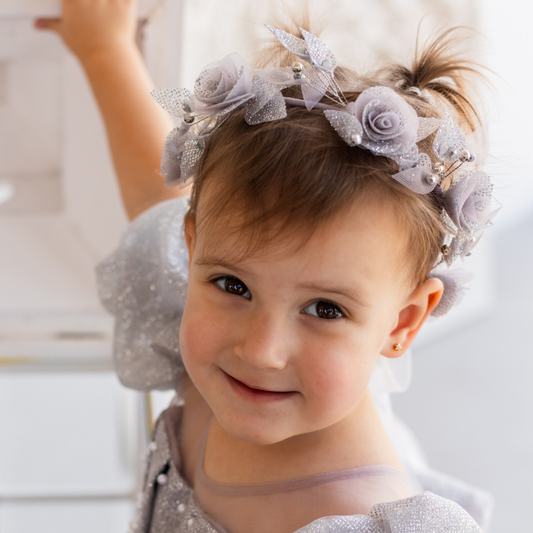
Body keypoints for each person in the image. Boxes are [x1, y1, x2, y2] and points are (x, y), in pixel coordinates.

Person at [37, 1, 496, 532]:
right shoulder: (208, 341)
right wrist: (103, 49)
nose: (260, 350)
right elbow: (153, 192)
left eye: (325, 309)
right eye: (233, 284)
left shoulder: (355, 514)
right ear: (192, 252)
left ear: (402, 322)